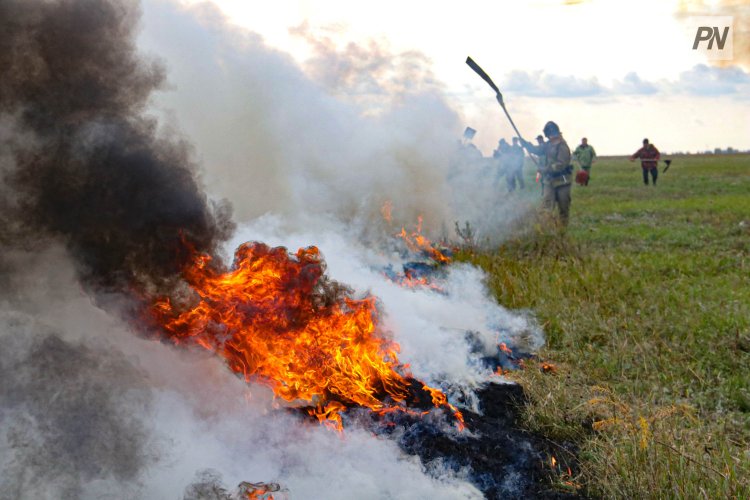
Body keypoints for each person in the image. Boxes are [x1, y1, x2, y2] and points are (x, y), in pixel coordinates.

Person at [520, 121, 573, 225]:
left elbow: (561, 164)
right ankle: (544, 228)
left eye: (550, 135)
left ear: (555, 133)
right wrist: (526, 145)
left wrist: (546, 169)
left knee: (563, 208)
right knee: (546, 206)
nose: (549, 137)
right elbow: (537, 150)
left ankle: (562, 231)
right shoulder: (548, 144)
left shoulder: (563, 146)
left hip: (563, 182)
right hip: (549, 181)